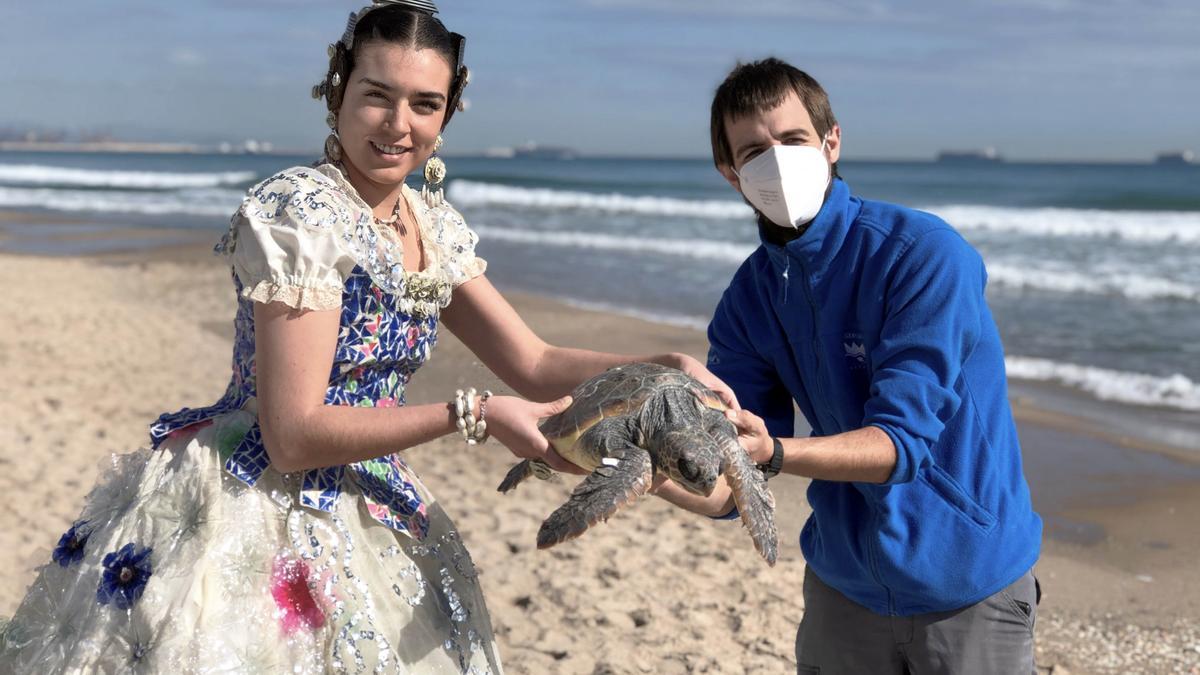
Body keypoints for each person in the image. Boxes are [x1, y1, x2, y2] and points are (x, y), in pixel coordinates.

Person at [0, 3, 732, 672]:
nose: (398, 124)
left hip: (375, 492)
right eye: (377, 95)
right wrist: (469, 414)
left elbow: (534, 361)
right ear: (338, 90)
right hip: (256, 493)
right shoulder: (301, 213)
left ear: (449, 114)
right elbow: (292, 434)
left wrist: (659, 366)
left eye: (425, 104)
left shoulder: (430, 223)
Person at [699, 58, 1043, 673]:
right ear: (731, 174)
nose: (775, 159)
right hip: (843, 585)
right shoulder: (748, 300)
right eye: (753, 150)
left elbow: (899, 445)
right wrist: (629, 472)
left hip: (967, 583)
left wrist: (772, 452)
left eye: (793, 139)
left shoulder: (923, 255)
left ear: (831, 142)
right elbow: (728, 483)